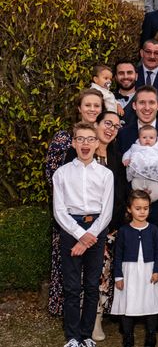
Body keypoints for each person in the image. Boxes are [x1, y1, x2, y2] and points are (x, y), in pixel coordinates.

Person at [52, 123, 114, 347]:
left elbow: (106, 211)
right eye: (81, 139)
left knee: (91, 286)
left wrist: (90, 238)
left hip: (97, 229)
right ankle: (72, 338)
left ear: (97, 143)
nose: (86, 144)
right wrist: (79, 235)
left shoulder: (106, 174)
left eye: (90, 139)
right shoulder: (62, 173)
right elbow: (59, 210)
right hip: (71, 229)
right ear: (74, 143)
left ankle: (86, 335)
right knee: (71, 287)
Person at [45, 89, 105, 317]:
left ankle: (91, 316)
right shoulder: (63, 138)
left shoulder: (103, 134)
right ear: (79, 108)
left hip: (97, 219)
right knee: (69, 270)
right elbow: (52, 174)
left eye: (96, 105)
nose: (92, 109)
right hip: (69, 217)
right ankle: (68, 313)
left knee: (91, 276)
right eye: (88, 105)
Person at [118, 85, 158, 236]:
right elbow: (121, 169)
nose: (147, 108)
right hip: (132, 205)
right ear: (134, 105)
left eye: (151, 103)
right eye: (142, 103)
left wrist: (150, 174)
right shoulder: (124, 133)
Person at [111, 190, 158, 347]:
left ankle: (151, 337)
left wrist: (157, 270)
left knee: (150, 304)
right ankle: (128, 338)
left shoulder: (154, 230)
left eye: (145, 208)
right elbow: (118, 255)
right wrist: (118, 276)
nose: (142, 212)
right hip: (130, 272)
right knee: (129, 304)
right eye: (138, 208)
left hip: (149, 272)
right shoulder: (123, 231)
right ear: (129, 209)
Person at [122, 124, 158, 202]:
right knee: (135, 185)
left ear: (156, 139)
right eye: (144, 137)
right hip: (138, 176)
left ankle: (149, 200)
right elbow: (127, 153)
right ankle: (141, 199)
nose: (147, 140)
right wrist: (126, 159)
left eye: (151, 138)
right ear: (139, 138)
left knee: (156, 189)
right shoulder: (135, 147)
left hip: (154, 177)